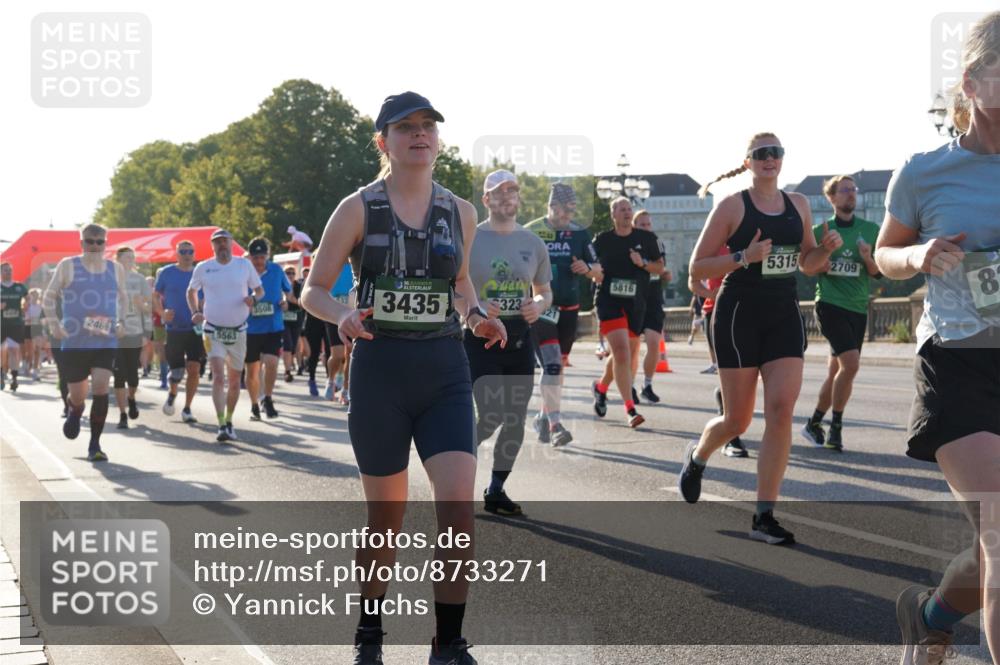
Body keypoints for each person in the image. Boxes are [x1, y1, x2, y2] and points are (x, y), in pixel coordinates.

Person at [300, 91, 505, 665]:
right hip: (380, 374)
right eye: (406, 126)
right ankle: (370, 629)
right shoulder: (358, 208)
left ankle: (448, 640)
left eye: (428, 126)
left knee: (458, 510)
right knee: (385, 519)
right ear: (383, 141)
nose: (419, 134)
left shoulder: (460, 211)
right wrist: (341, 314)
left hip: (444, 372)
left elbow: (459, 284)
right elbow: (313, 289)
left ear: (437, 139)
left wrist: (477, 317)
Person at [874, 12, 1000, 663]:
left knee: (991, 546)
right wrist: (918, 255)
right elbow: (883, 255)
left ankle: (929, 615)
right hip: (958, 360)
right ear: (972, 83)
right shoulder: (925, 172)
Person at [678, 132, 841, 545]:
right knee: (738, 420)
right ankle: (698, 455)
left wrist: (825, 250)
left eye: (776, 152)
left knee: (781, 410)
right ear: (748, 161)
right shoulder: (732, 206)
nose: (770, 158)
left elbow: (807, 263)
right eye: (762, 153)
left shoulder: (798, 204)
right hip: (738, 316)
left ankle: (764, 515)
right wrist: (743, 257)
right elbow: (697, 268)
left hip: (783, 313)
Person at [469, 169, 552, 514]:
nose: (507, 197)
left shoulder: (533, 243)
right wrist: (476, 307)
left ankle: (496, 489)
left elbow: (544, 290)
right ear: (486, 199)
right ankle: (452, 471)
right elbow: (453, 286)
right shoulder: (470, 238)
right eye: (498, 192)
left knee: (515, 418)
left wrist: (539, 306)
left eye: (512, 190)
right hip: (481, 337)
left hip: (519, 338)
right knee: (490, 416)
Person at [800, 175, 881, 452]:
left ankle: (813, 422)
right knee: (851, 365)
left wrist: (867, 257)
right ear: (831, 198)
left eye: (853, 189)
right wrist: (822, 260)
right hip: (830, 305)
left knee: (837, 371)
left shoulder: (870, 229)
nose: (851, 194)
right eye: (844, 190)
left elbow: (878, 273)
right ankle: (835, 429)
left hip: (857, 307)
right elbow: (806, 267)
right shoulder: (821, 231)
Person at [42, 223, 128, 462]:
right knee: (79, 394)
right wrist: (54, 324)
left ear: (105, 244)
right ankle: (75, 409)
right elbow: (48, 298)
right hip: (75, 340)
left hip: (105, 339)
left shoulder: (116, 269)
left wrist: (121, 322)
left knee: (101, 386)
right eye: (90, 241)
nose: (95, 246)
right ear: (81, 243)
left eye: (100, 242)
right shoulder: (68, 265)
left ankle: (95, 445)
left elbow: (124, 299)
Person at [524, 183, 601, 445]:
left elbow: (599, 271)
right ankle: (556, 424)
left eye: (572, 210)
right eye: (564, 210)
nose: (568, 215)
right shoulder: (532, 231)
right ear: (551, 206)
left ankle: (542, 417)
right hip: (541, 308)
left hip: (569, 310)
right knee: (553, 364)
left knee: (558, 366)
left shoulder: (579, 233)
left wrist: (587, 268)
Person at [591, 196, 664, 427]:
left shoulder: (647, 239)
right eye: (621, 209)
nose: (626, 212)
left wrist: (642, 263)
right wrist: (594, 273)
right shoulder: (602, 240)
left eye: (629, 209)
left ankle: (601, 387)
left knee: (623, 355)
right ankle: (630, 409)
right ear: (613, 214)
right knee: (622, 353)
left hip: (635, 304)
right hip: (609, 302)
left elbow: (660, 267)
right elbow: (590, 265)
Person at [188, 229, 263, 442]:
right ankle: (221, 424)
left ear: (231, 243)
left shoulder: (243, 265)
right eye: (217, 242)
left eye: (225, 241)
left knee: (235, 380)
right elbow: (191, 291)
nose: (221, 245)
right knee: (219, 376)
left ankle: (229, 420)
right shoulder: (204, 267)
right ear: (212, 246)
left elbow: (259, 290)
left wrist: (253, 299)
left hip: (239, 331)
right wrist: (195, 311)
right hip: (213, 330)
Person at [244, 237, 292, 420]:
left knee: (271, 363)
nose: (259, 261)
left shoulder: (277, 270)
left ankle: (268, 399)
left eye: (262, 257)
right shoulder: (244, 273)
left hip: (273, 325)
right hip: (250, 328)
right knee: (252, 370)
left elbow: (288, 292)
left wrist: (285, 302)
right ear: (250, 257)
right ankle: (254, 404)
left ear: (268, 255)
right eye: (255, 258)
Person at [155, 240, 203, 423]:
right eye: (183, 251)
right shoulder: (167, 272)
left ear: (194, 254)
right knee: (177, 372)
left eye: (190, 251)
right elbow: (155, 296)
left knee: (194, 368)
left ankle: (187, 408)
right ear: (177, 254)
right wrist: (162, 313)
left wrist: (204, 312)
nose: (187, 254)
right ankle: (172, 392)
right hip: (174, 328)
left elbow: (207, 297)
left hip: (195, 328)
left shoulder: (200, 272)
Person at [631, 209, 669, 403]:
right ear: (634, 226)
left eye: (648, 224)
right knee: (632, 348)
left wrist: (663, 273)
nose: (646, 227)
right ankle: (629, 386)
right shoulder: (628, 244)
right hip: (633, 300)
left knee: (654, 344)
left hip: (653, 299)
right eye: (642, 224)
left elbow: (661, 267)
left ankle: (647, 385)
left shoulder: (656, 242)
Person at [112, 247, 152, 429]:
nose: (130, 260)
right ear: (118, 260)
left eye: (132, 257)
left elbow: (149, 308)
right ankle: (122, 415)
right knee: (119, 375)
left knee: (133, 377)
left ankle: (131, 397)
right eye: (126, 257)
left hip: (135, 332)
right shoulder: (110, 279)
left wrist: (146, 333)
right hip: (115, 334)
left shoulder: (140, 279)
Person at [1, 262, 29, 392]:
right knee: (1, 351)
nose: (8, 272)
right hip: (1, 324)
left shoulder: (19, 286)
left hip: (16, 324)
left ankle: (14, 378)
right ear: (1, 272)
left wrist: (25, 305)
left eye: (10, 270)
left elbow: (27, 298)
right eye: (5, 270)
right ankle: (1, 373)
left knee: (14, 350)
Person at [281, 265, 303, 382]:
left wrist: (291, 299)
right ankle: (287, 371)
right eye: (287, 273)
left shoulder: (299, 286)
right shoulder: (280, 285)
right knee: (287, 344)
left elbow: (302, 302)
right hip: (283, 319)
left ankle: (294, 364)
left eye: (292, 273)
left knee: (294, 345)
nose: (290, 275)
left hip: (296, 318)